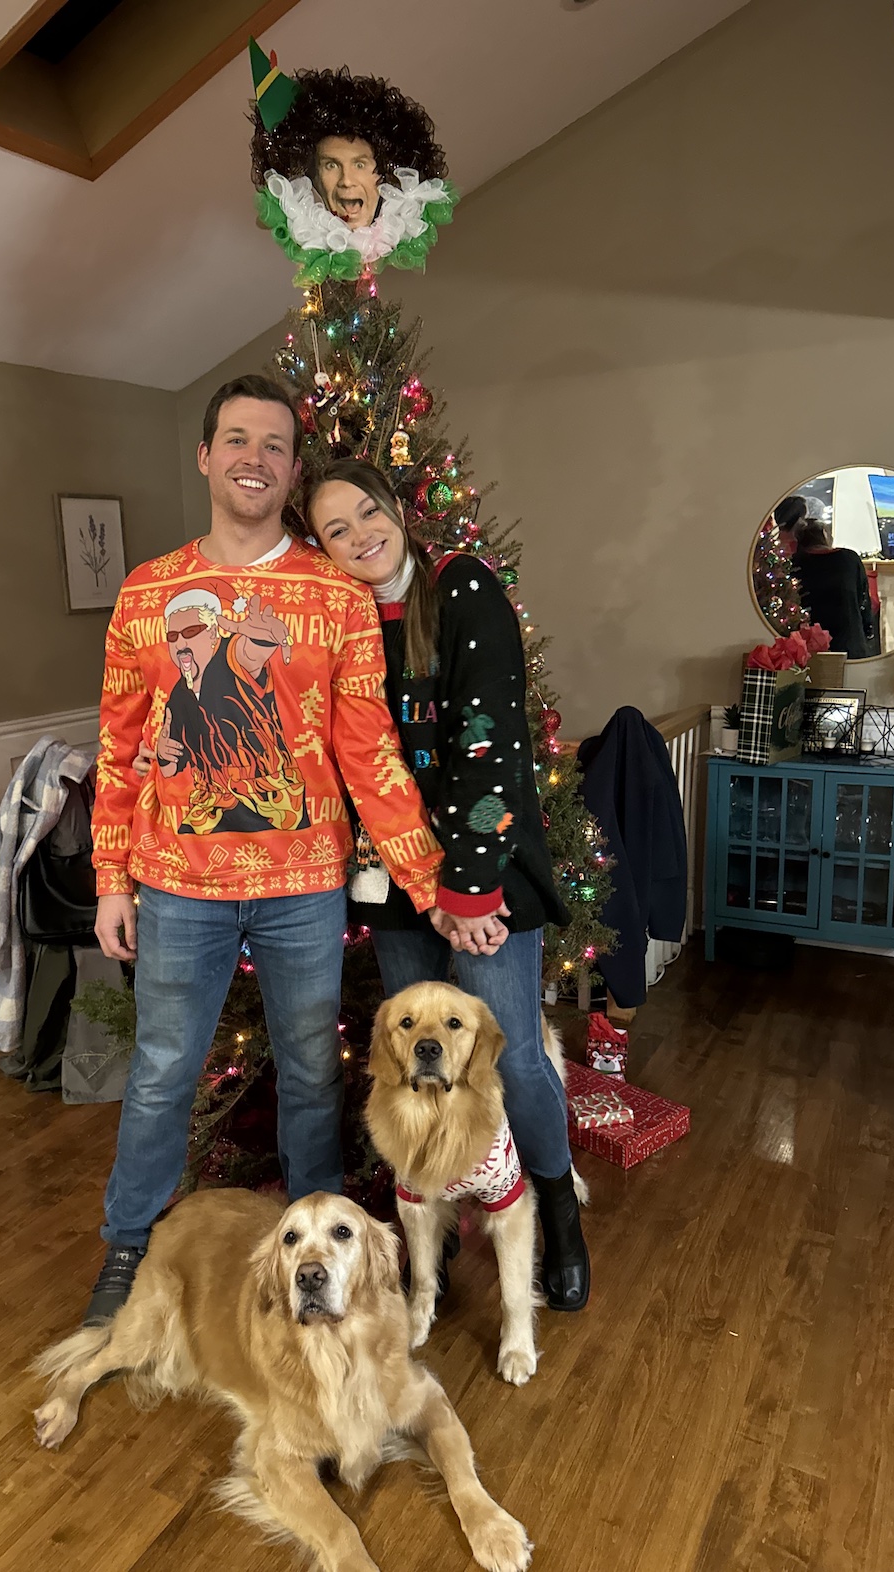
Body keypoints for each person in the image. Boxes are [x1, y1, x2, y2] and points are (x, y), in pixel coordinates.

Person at [86, 376, 459, 1324]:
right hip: (178, 884)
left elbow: (368, 751)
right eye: (236, 440)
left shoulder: (334, 594)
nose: (254, 458)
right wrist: (110, 878)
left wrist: (429, 880)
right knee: (161, 1071)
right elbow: (120, 745)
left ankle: (318, 1258)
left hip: (304, 886)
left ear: (292, 471)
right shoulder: (147, 592)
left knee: (310, 1072)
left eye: (274, 445)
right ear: (205, 456)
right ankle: (128, 1247)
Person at [303, 457, 590, 1313]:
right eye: (335, 530)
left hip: (485, 874)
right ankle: (438, 1208)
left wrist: (464, 896)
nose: (360, 536)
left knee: (515, 1060)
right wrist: (420, 886)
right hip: (394, 880)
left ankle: (558, 1213)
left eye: (367, 512)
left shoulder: (462, 589)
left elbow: (487, 748)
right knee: (414, 1063)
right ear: (321, 548)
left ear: (396, 506)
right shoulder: (341, 620)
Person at [790, 515, 875, 659]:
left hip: (807, 645)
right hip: (849, 643)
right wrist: (868, 630)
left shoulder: (795, 563)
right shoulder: (849, 559)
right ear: (824, 535)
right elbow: (863, 599)